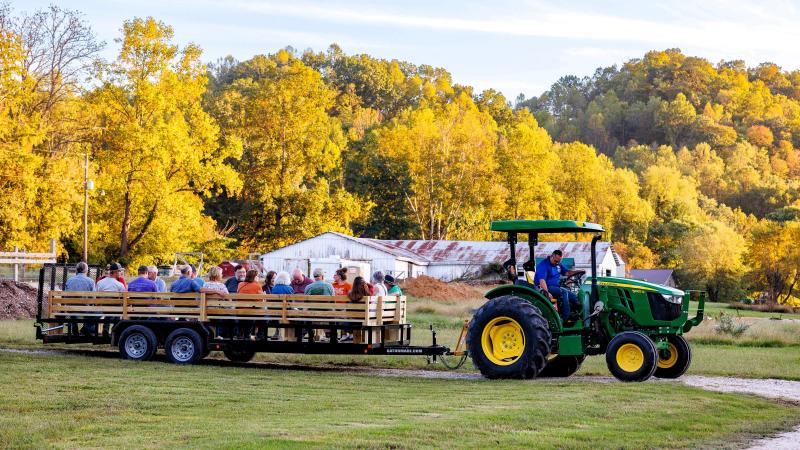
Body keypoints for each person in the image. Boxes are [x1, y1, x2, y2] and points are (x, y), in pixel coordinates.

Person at [534, 250, 581, 322]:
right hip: (546, 287)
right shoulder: (543, 265)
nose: (557, 263)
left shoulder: (558, 264)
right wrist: (547, 292)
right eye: (556, 261)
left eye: (559, 261)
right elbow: (542, 281)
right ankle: (564, 318)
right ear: (552, 256)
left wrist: (579, 271)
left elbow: (567, 273)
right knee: (564, 292)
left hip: (556, 287)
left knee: (573, 296)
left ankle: (576, 315)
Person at [64, 262, 96, 335]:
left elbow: (66, 296)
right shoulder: (90, 281)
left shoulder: (69, 280)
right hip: (85, 309)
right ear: (86, 270)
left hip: (71, 308)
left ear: (77, 270)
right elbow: (94, 298)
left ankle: (74, 326)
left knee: (72, 305)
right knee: (97, 312)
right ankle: (85, 327)